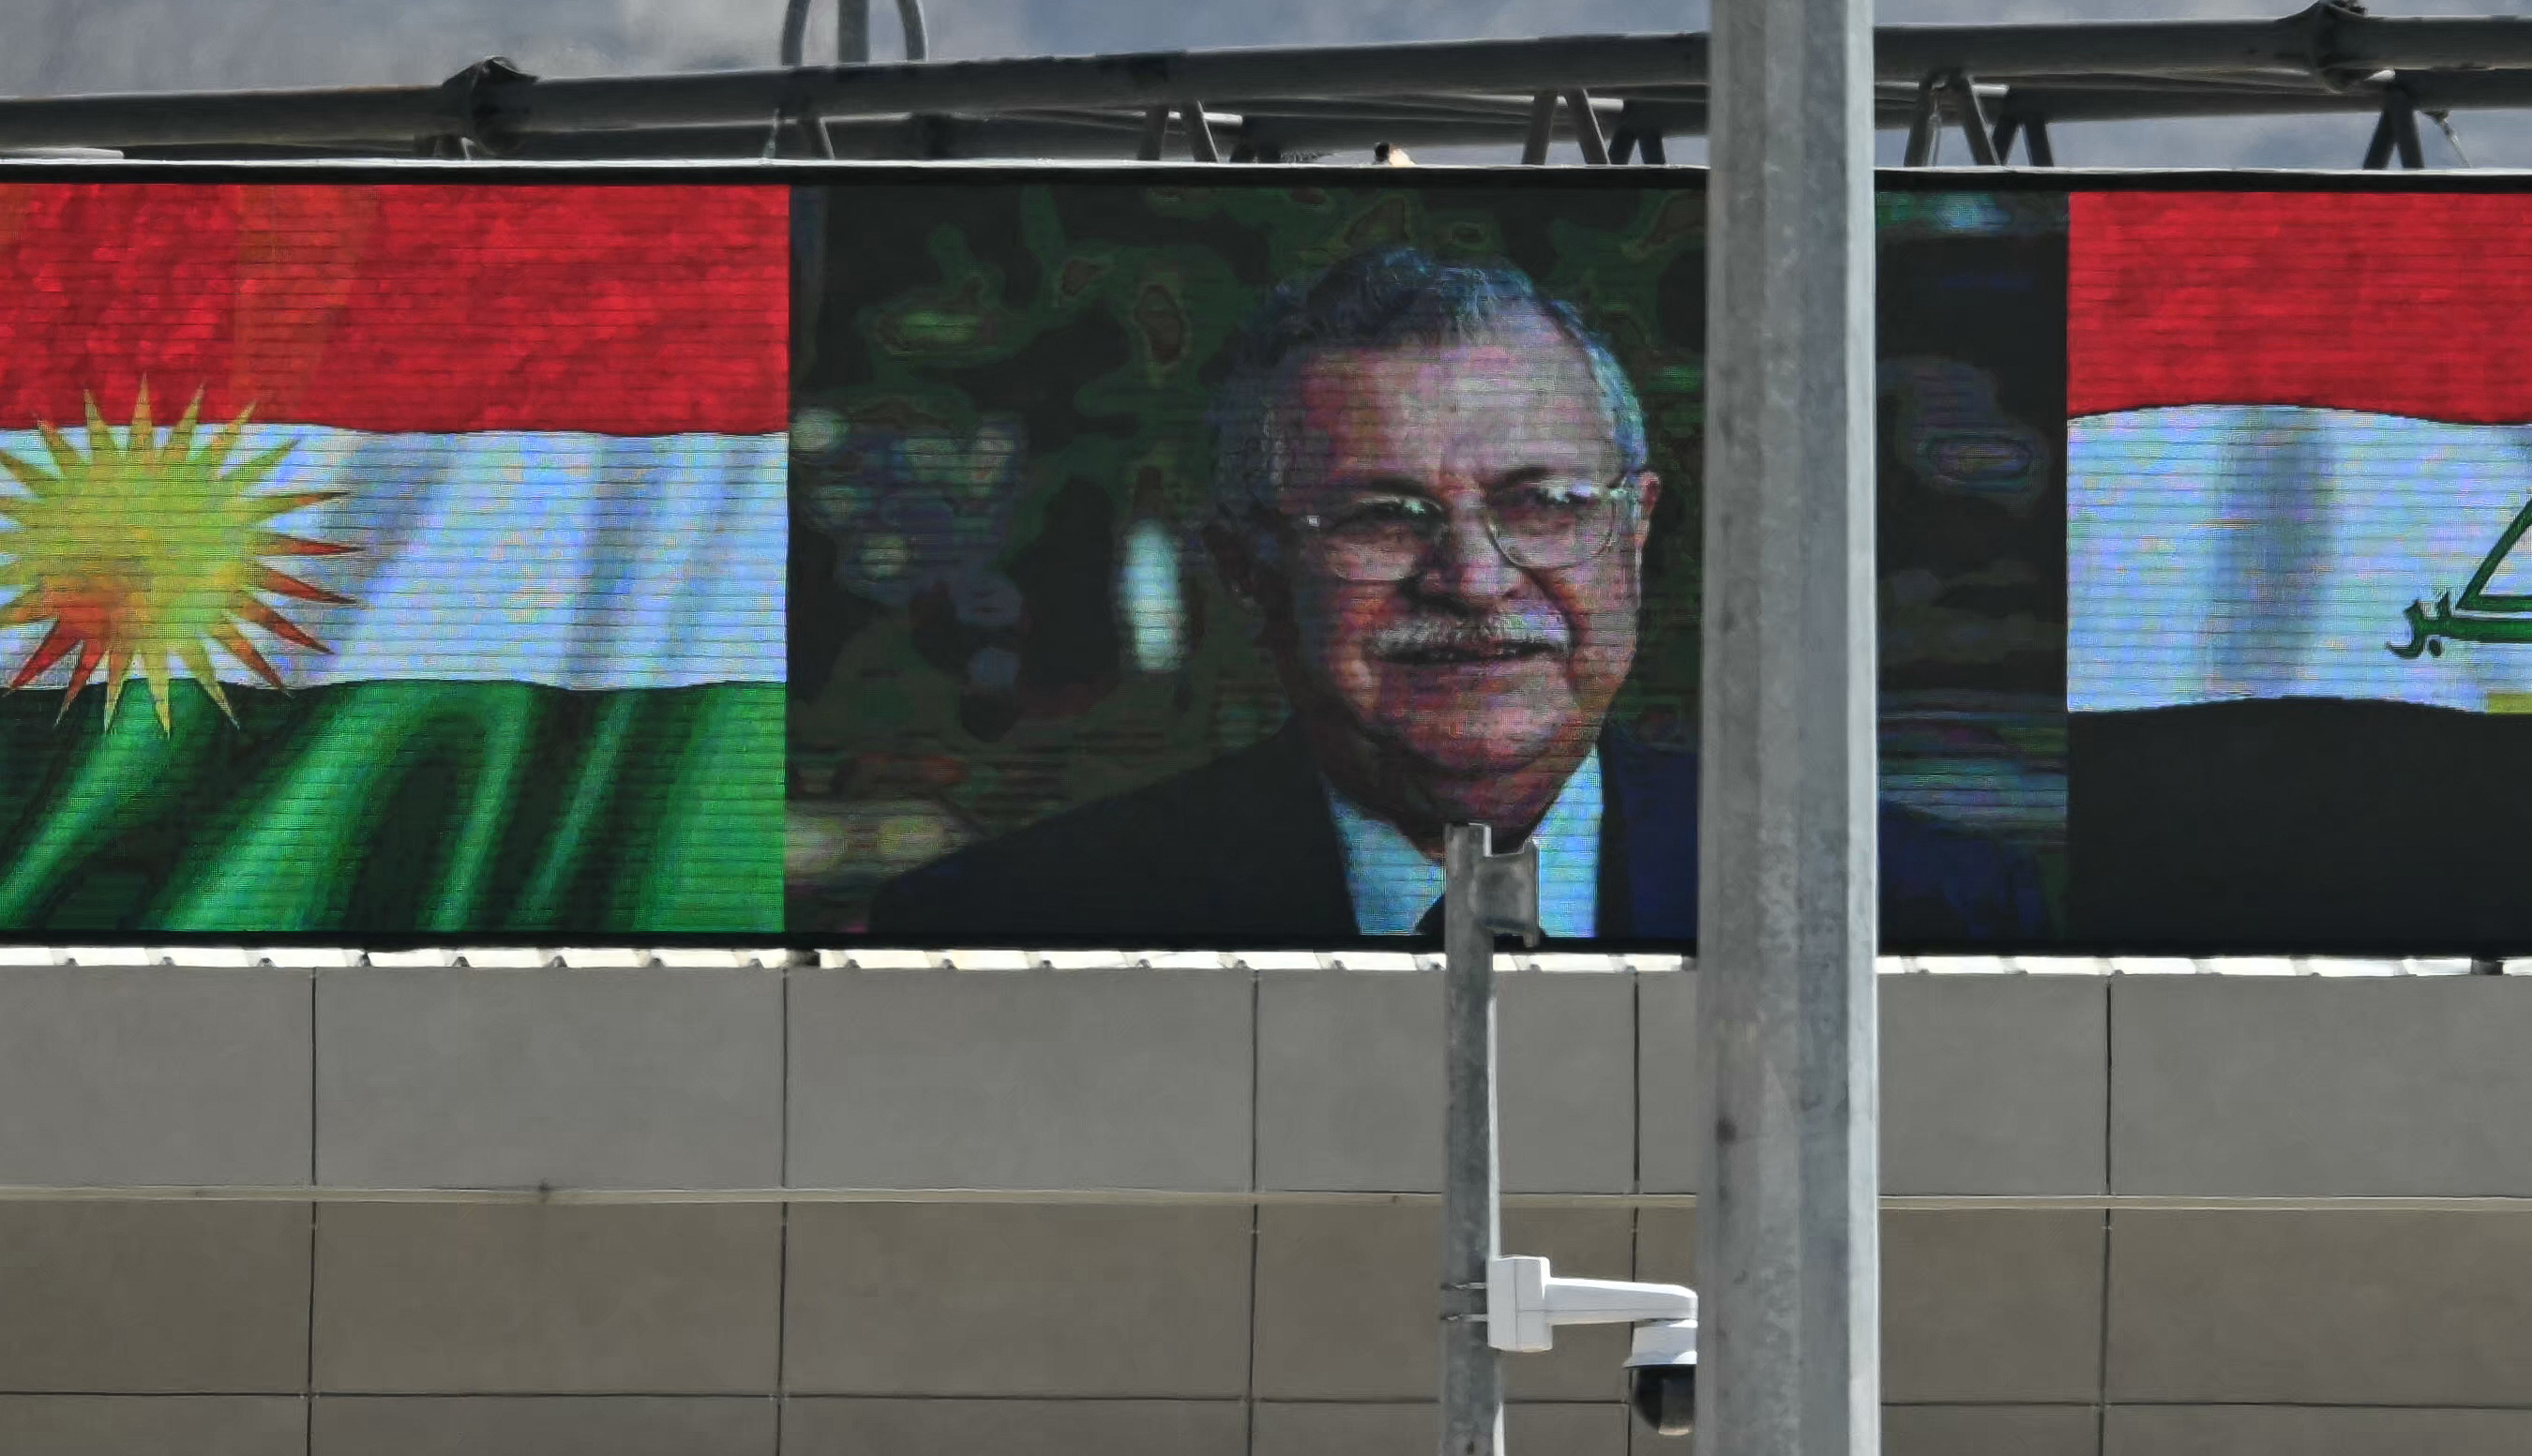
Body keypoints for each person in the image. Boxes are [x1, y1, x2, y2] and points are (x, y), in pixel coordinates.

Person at [860, 240, 2050, 950]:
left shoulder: (1927, 912)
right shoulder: (1015, 928)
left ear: (1632, 535)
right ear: (1249, 573)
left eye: (1542, 503)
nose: (1476, 580)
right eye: (1384, 514)